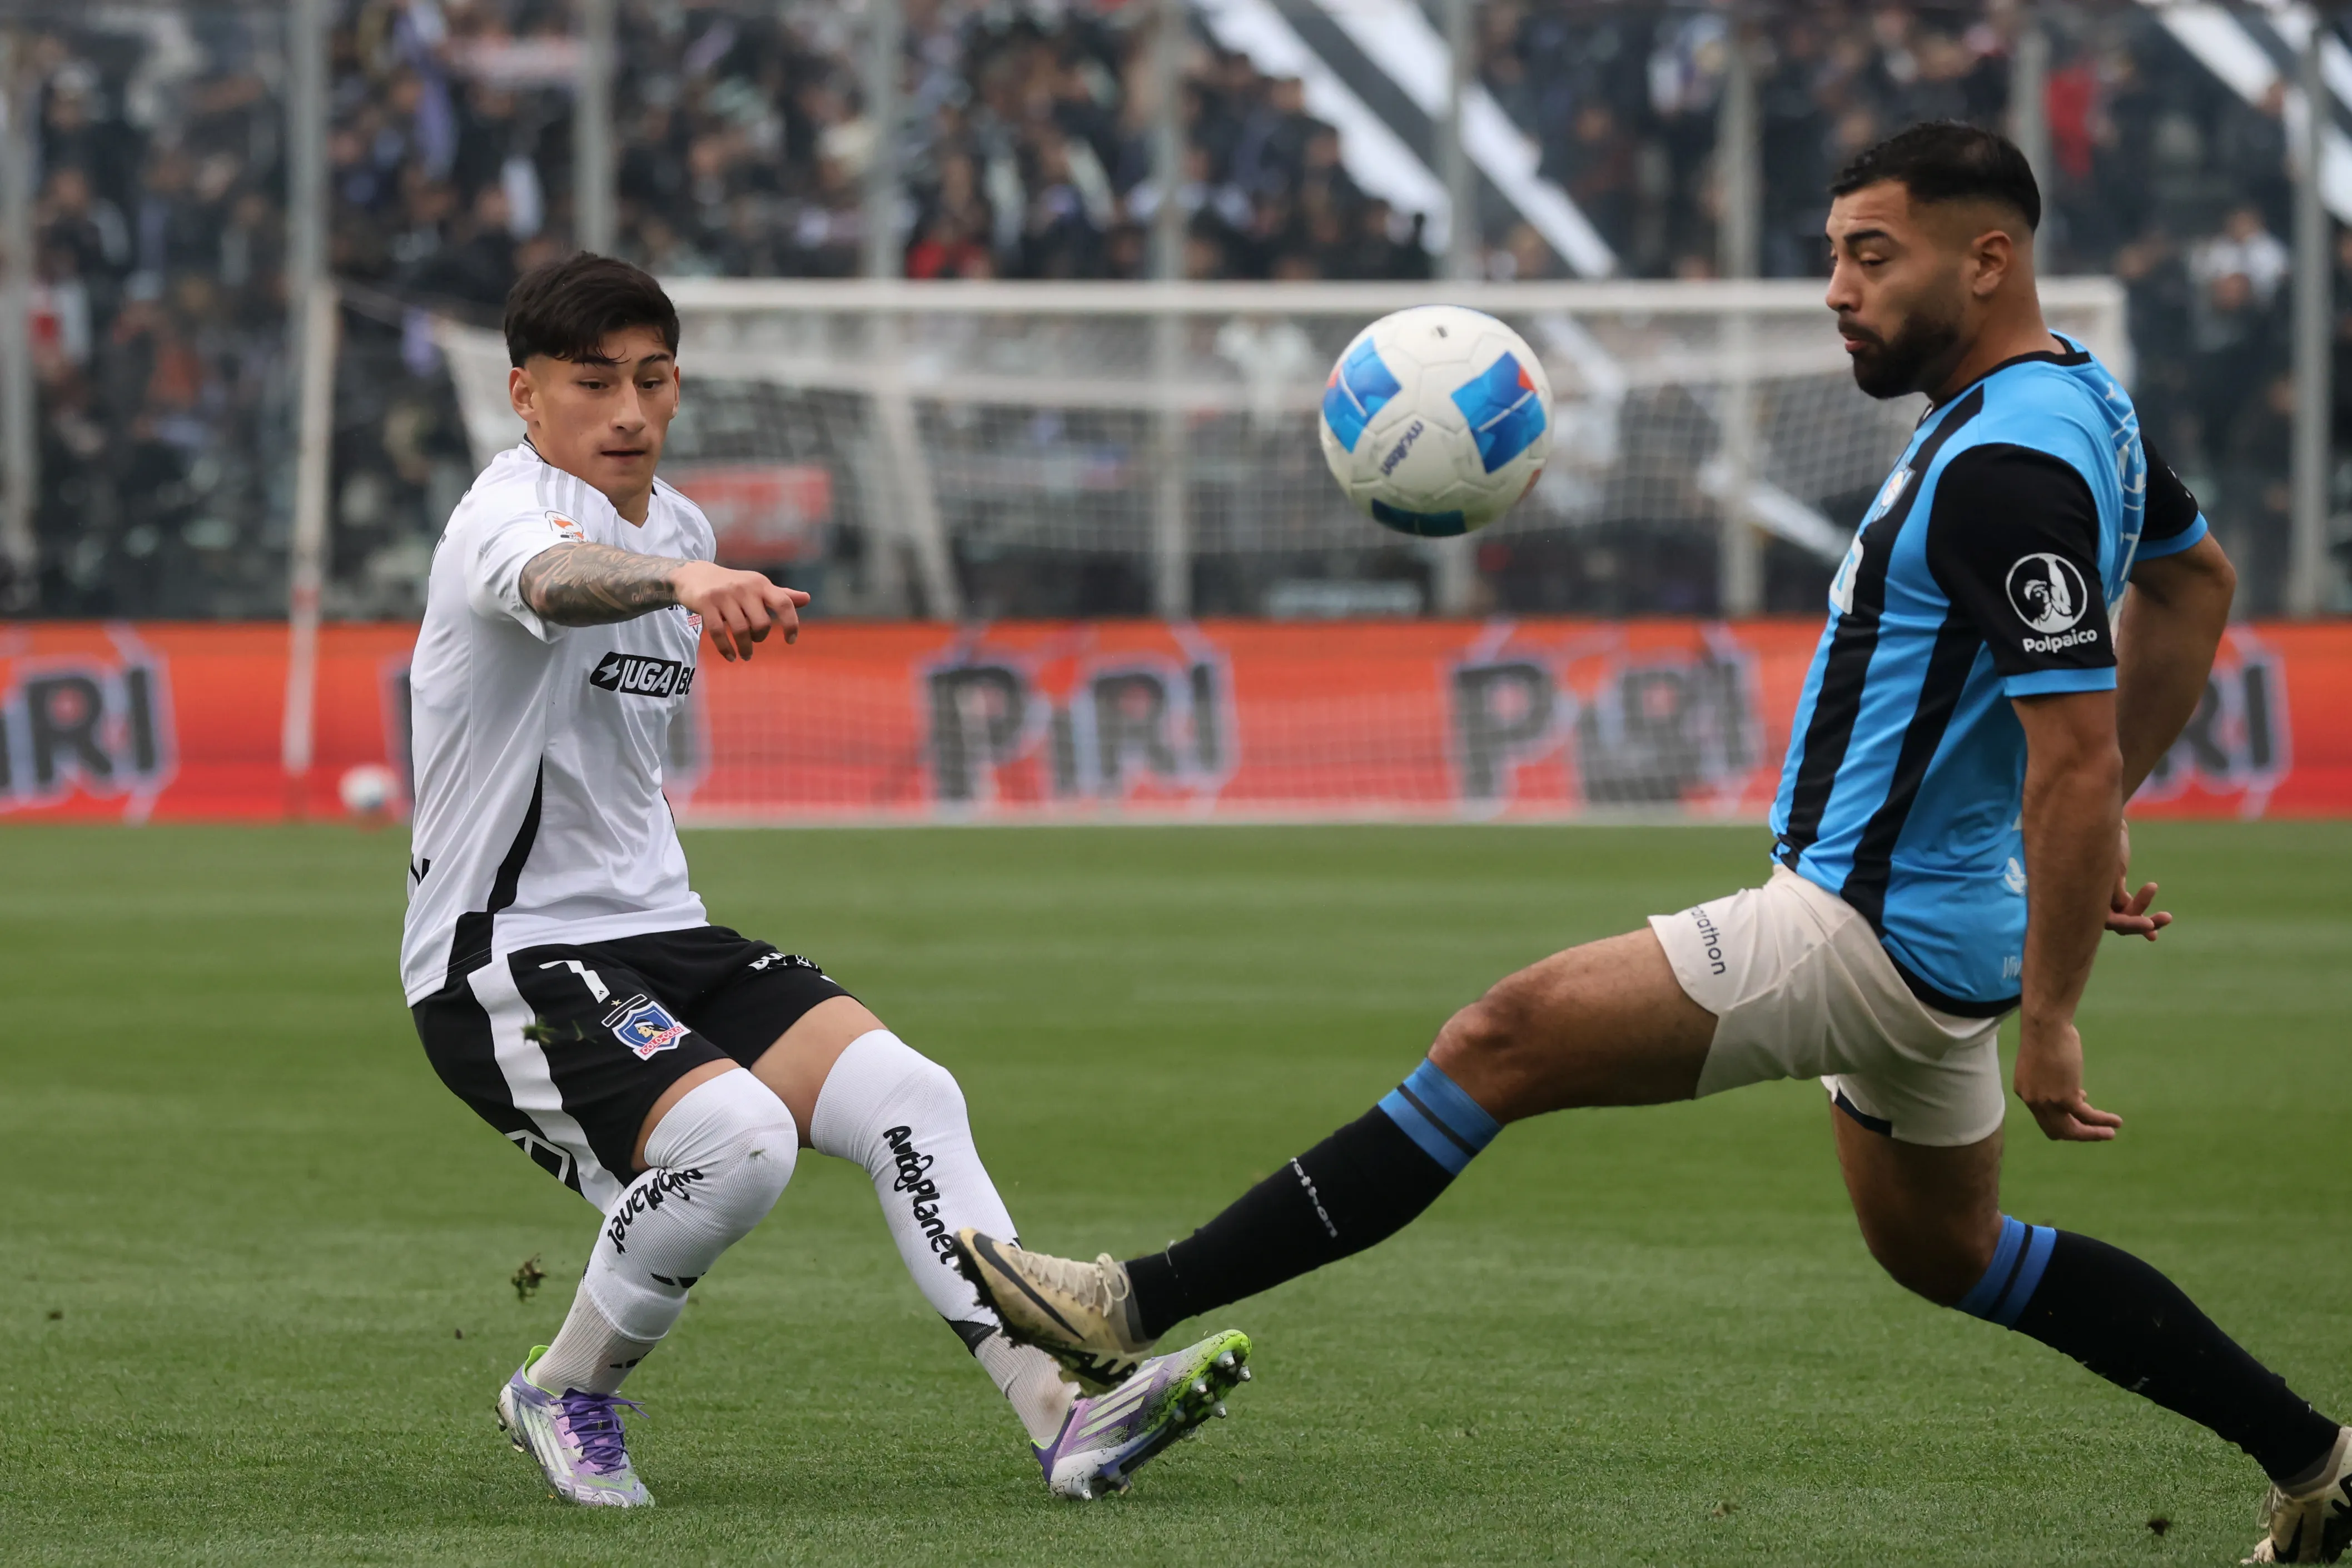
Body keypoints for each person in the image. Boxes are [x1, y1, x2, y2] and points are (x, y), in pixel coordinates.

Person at [954, 123, 2351, 1563]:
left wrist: (2056, 1000)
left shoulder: (2006, 470)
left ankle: (1130, 1302)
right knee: (1945, 1249)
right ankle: (2314, 1461)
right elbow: (2194, 581)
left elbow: (2066, 749)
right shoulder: (2080, 406)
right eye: (1830, 256)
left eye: (1871, 255)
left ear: (1984, 259)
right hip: (1931, 926)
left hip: (1856, 928)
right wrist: (2094, 816)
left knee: (1499, 1038)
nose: (1834, 288)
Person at [400, 253, 1249, 1508]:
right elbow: (552, 582)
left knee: (910, 1092)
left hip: (659, 930)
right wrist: (687, 582)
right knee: (739, 1141)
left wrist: (686, 563)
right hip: (504, 958)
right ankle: (564, 1387)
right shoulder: (506, 514)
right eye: (595, 385)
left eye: (654, 379)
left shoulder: (676, 523)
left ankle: (1065, 1415)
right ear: (527, 398)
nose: (631, 412)